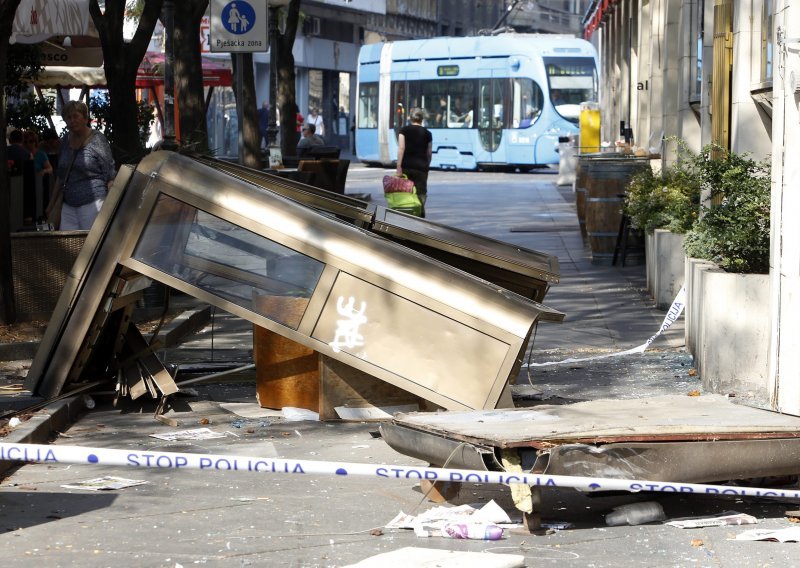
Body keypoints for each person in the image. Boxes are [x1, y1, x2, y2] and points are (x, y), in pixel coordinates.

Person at [47, 100, 116, 231]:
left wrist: (111, 204)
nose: (72, 120)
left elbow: (110, 174)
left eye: (75, 116)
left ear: (85, 118)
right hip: (68, 205)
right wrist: (51, 204)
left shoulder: (98, 140)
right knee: (68, 245)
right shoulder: (65, 142)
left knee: (89, 245)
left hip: (93, 203)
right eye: (68, 117)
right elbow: (60, 176)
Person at [396, 107, 432, 217]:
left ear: (411, 118)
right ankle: (419, 212)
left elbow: (401, 148)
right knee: (421, 192)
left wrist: (398, 166)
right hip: (421, 167)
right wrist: (427, 164)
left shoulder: (403, 131)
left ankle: (407, 213)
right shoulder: (427, 133)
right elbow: (429, 153)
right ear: (422, 119)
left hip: (406, 166)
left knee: (406, 191)